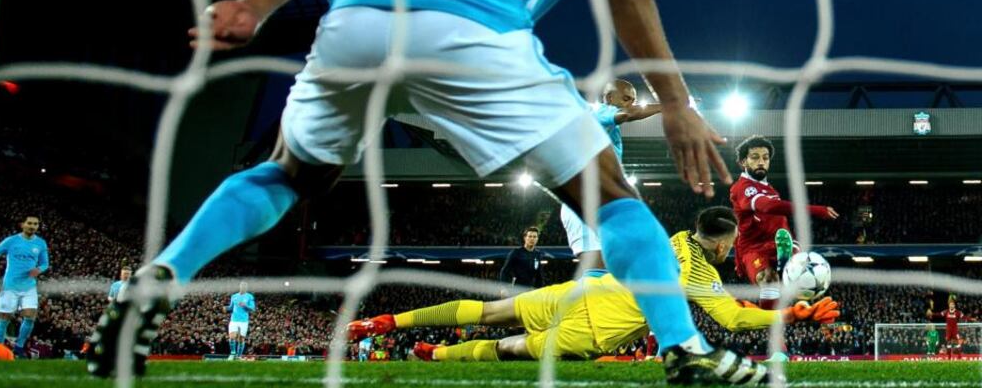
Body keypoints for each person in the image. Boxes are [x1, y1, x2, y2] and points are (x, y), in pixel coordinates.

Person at [88, 0, 772, 383]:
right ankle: (686, 350)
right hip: (471, 30)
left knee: (287, 172)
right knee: (611, 197)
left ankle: (161, 275)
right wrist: (674, 99)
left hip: (355, 21)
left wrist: (251, 4)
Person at [348, 207, 838, 362]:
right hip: (599, 328)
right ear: (725, 239)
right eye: (732, 241)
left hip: (589, 290)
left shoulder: (671, 239)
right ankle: (437, 355)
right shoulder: (700, 274)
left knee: (490, 311)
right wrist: (785, 313)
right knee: (511, 348)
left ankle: (388, 321)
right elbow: (731, 316)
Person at [729, 136, 839, 309]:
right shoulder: (742, 187)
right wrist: (816, 210)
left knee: (797, 279)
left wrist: (792, 241)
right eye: (755, 157)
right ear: (744, 161)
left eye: (765, 158)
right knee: (767, 279)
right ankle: (783, 272)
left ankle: (787, 264)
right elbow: (767, 206)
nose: (761, 162)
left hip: (780, 241)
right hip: (754, 248)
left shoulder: (770, 189)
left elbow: (778, 219)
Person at [0, 214, 49, 358]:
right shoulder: (11, 241)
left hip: (29, 287)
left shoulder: (40, 243)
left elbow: (45, 263)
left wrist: (38, 270)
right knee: (4, 319)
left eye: (36, 224)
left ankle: (19, 347)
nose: (33, 226)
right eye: (30, 223)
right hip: (9, 286)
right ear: (23, 224)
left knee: (30, 317)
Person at [591, 79, 662, 160]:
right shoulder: (600, 111)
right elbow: (627, 113)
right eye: (626, 99)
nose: (631, 105)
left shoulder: (609, 123)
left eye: (633, 102)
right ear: (610, 98)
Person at [498, 227, 544, 293]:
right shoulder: (516, 252)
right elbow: (505, 271)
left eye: (534, 237)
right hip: (516, 289)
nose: (532, 239)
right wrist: (503, 288)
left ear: (537, 239)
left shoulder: (538, 254)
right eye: (530, 236)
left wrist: (540, 290)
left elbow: (539, 275)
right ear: (525, 238)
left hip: (531, 291)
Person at [226, 282, 256, 358]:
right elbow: (231, 307)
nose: (243, 287)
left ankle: (239, 356)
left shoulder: (250, 296)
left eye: (245, 286)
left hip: (244, 321)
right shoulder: (234, 296)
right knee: (232, 336)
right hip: (234, 320)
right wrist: (225, 308)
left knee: (241, 339)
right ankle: (233, 353)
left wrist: (245, 305)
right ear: (239, 286)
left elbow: (252, 308)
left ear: (246, 287)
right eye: (242, 286)